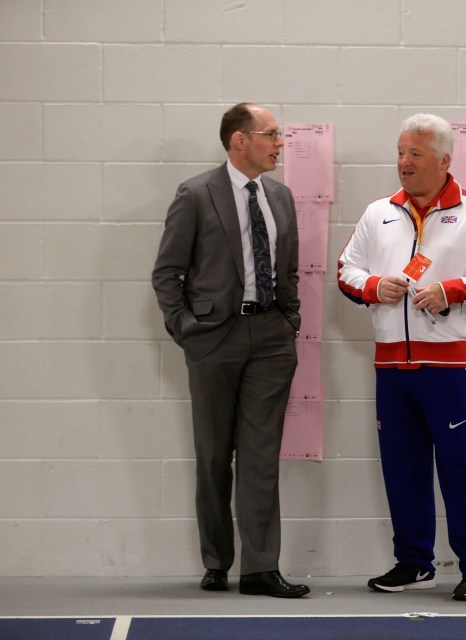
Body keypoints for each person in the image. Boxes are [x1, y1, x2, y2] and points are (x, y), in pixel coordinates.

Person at [337, 113, 466, 601]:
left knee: (462, 466)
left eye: (415, 154)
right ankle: (414, 562)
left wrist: (452, 289)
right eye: (400, 152)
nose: (404, 163)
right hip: (392, 366)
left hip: (451, 366)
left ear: (444, 160)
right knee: (402, 466)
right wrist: (374, 285)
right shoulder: (379, 213)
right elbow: (345, 269)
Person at [152, 103, 309, 598]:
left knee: (262, 457)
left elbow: (288, 271)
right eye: (271, 134)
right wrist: (187, 329)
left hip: (270, 341)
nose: (280, 143)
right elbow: (167, 272)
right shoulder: (196, 193)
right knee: (214, 455)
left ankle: (261, 569)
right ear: (240, 140)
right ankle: (217, 562)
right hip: (213, 339)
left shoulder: (280, 197)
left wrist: (288, 322)